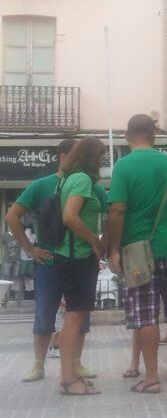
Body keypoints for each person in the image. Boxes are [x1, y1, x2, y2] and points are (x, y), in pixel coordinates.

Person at [107, 114, 167, 393]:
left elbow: (117, 210)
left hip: (138, 251)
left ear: (127, 135)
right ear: (154, 134)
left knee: (146, 315)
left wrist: (113, 250)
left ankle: (152, 378)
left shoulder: (123, 166)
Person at [5, 138, 99, 383]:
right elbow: (12, 216)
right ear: (63, 156)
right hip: (49, 258)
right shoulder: (42, 185)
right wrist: (30, 248)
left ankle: (75, 363)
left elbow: (107, 213)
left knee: (79, 313)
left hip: (74, 258)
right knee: (46, 313)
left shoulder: (86, 184)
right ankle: (39, 364)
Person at [57, 136, 107, 395]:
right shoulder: (82, 180)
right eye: (100, 155)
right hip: (77, 255)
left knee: (75, 316)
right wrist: (95, 242)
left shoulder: (69, 178)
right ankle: (68, 378)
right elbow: (69, 216)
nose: (102, 160)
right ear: (91, 156)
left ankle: (72, 374)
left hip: (71, 255)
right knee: (75, 317)